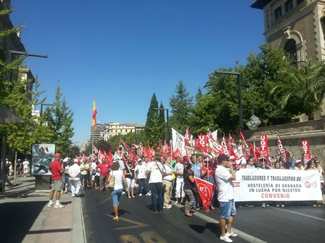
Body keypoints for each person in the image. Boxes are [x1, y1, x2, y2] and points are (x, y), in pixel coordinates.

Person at [215, 154, 238, 243]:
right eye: (227, 160)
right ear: (223, 161)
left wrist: (230, 169)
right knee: (224, 216)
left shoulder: (224, 169)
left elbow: (233, 178)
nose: (229, 162)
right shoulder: (220, 170)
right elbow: (234, 177)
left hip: (230, 196)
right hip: (224, 197)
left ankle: (229, 231)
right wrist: (231, 168)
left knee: (232, 214)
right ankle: (223, 235)